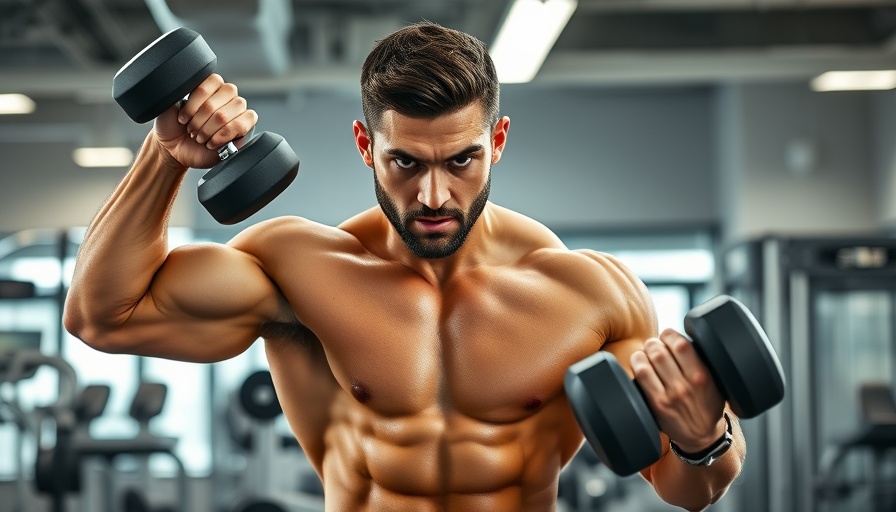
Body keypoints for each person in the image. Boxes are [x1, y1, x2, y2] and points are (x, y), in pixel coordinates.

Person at [64, 21, 744, 512]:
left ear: (497, 141)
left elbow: (688, 490)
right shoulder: (302, 272)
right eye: (405, 163)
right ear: (366, 144)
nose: (434, 196)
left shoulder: (587, 292)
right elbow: (102, 317)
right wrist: (166, 158)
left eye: (461, 161)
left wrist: (700, 439)